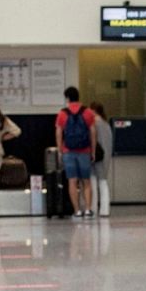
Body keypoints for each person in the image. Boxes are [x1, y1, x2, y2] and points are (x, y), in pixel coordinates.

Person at [55, 87, 98, 219]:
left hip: (68, 151)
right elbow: (93, 132)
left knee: (72, 181)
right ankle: (88, 210)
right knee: (86, 181)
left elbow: (59, 132)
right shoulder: (88, 112)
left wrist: (60, 150)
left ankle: (77, 211)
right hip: (85, 151)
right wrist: (93, 151)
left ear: (67, 98)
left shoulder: (62, 113)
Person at [88, 101, 113, 217]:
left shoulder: (94, 123)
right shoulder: (106, 124)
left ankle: (93, 207)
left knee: (93, 182)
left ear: (94, 110)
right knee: (103, 182)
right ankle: (105, 209)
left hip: (96, 155)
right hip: (105, 156)